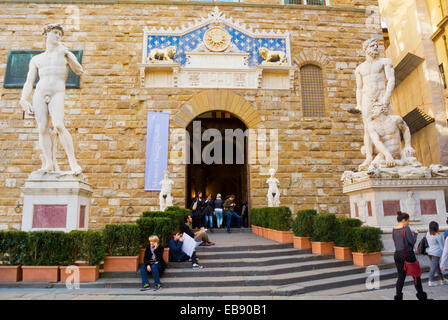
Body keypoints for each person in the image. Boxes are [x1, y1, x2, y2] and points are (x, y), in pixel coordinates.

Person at [20, 24, 85, 174]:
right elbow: (29, 81)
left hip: (57, 92)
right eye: (55, 33)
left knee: (58, 125)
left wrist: (67, 53)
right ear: (46, 35)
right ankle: (49, 163)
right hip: (40, 92)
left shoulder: (64, 53)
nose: (57, 36)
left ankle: (73, 163)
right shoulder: (37, 59)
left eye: (60, 34)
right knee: (42, 128)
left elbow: (79, 70)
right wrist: (24, 98)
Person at [392, 211, 427, 300]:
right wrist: (415, 234)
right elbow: (411, 242)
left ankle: (398, 297)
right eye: (408, 220)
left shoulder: (394, 229)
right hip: (407, 254)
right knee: (416, 275)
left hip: (397, 254)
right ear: (404, 220)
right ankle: (421, 296)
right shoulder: (406, 228)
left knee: (401, 277)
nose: (408, 222)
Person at [426, 221, 447, 286]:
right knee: (433, 267)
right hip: (436, 253)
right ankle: (430, 281)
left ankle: (442, 279)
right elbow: (442, 246)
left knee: (436, 266)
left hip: (429, 252)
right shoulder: (438, 236)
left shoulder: (427, 234)